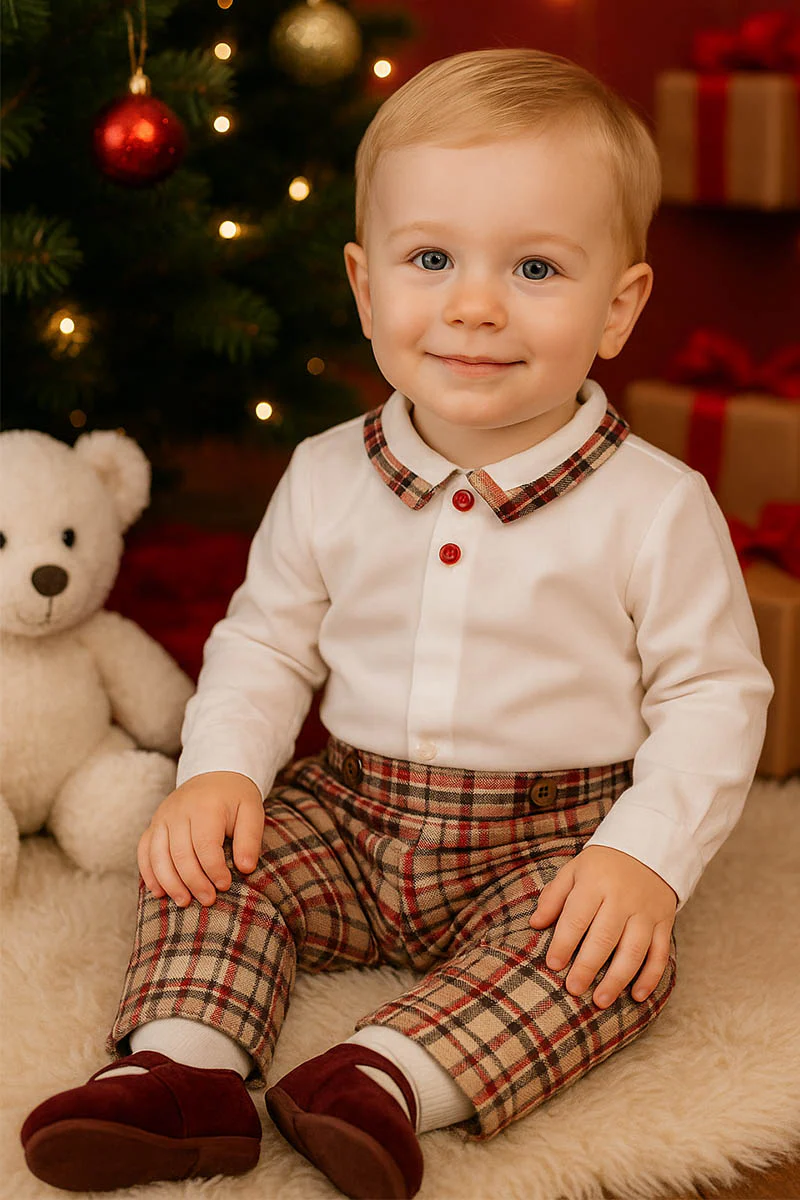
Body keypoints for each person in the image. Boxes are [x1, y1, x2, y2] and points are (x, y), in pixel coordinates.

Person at [21, 47, 774, 1200]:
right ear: (366, 287)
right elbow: (266, 642)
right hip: (353, 803)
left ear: (617, 308)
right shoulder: (327, 475)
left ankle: (385, 1076)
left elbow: (711, 695)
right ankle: (184, 1071)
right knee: (206, 866)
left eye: (534, 267)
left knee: (607, 960)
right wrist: (220, 773)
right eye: (430, 260)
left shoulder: (652, 506)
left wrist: (641, 859)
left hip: (551, 835)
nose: (473, 305)